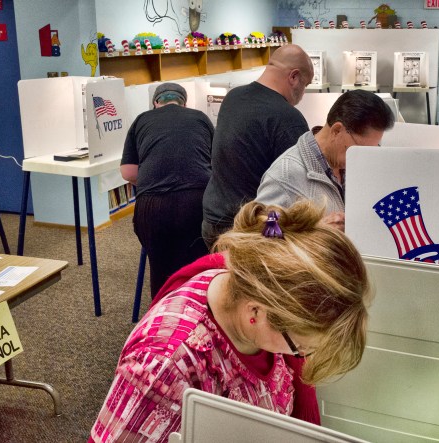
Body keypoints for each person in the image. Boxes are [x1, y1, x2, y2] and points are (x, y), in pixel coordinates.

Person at [89, 200, 371, 442]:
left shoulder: (249, 287)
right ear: (256, 313)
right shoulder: (163, 366)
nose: (303, 357)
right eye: (301, 348)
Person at [201, 44, 314, 248]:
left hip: (212, 218)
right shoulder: (288, 118)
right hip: (251, 227)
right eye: (305, 84)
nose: (303, 93)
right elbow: (299, 186)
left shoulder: (233, 97)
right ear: (294, 77)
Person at [120, 82, 214, 297]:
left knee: (161, 269)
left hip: (153, 206)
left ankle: (163, 316)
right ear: (184, 102)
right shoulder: (200, 117)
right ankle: (196, 314)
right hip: (196, 201)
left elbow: (127, 172)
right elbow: (216, 161)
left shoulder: (141, 120)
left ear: (155, 102)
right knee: (196, 266)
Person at [255, 90, 395, 231]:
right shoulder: (285, 176)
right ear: (337, 130)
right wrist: (316, 231)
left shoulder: (348, 164)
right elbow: (261, 236)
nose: (364, 156)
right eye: (360, 148)